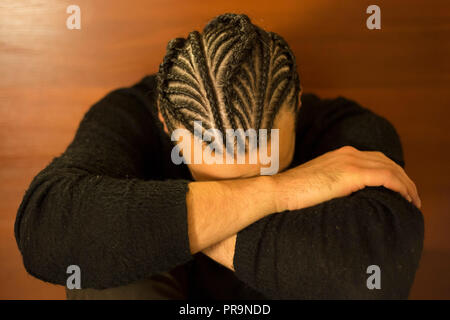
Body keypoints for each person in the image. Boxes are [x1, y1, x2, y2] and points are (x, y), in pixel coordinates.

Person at [15, 13, 424, 299]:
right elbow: (47, 231)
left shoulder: (350, 135)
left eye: (266, 167)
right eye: (218, 180)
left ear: (296, 104)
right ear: (166, 121)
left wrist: (150, 225)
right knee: (103, 277)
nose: (248, 189)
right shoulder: (130, 117)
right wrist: (280, 190)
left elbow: (381, 272)